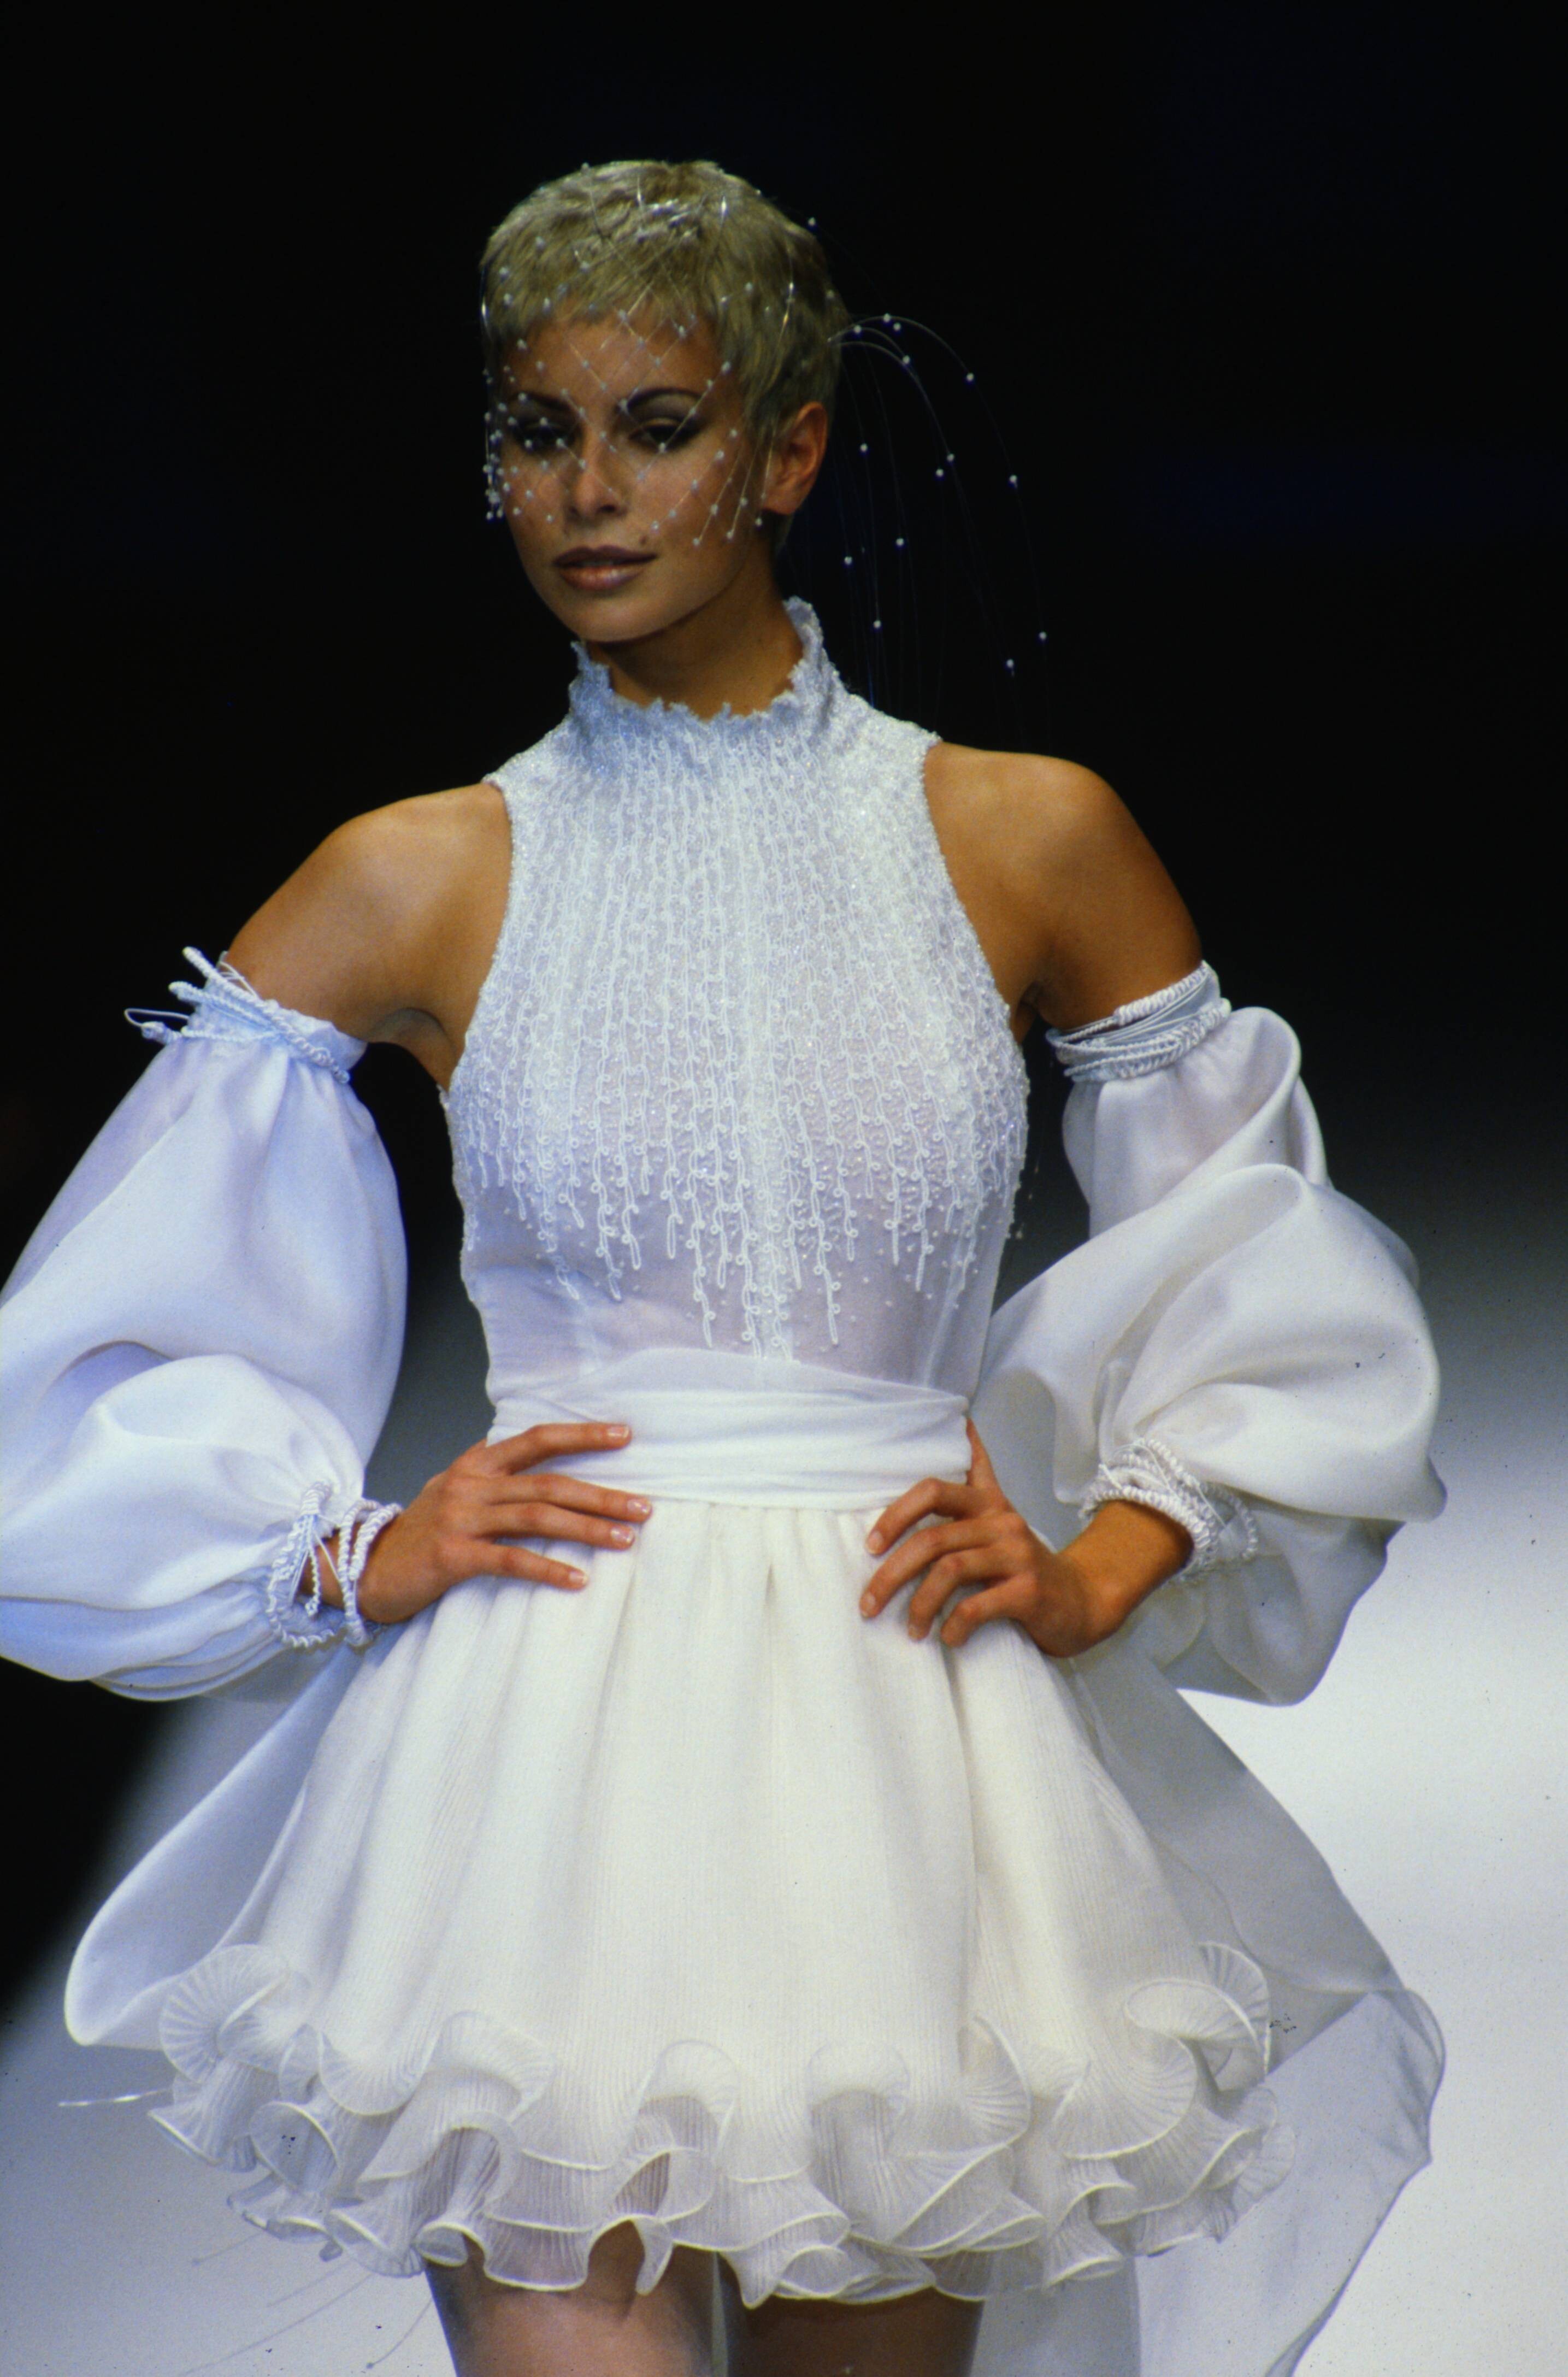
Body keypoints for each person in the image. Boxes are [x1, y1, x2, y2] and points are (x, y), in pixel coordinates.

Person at [0, 161, 1446, 2377]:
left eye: (656, 428)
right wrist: (341, 1549)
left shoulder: (1027, 834)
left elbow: (1261, 1253)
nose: (586, 493)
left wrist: (1113, 1553)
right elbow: (95, 1317)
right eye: (537, 430)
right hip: (536, 1742)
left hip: (904, 1735)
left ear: (789, 452)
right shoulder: (414, 873)